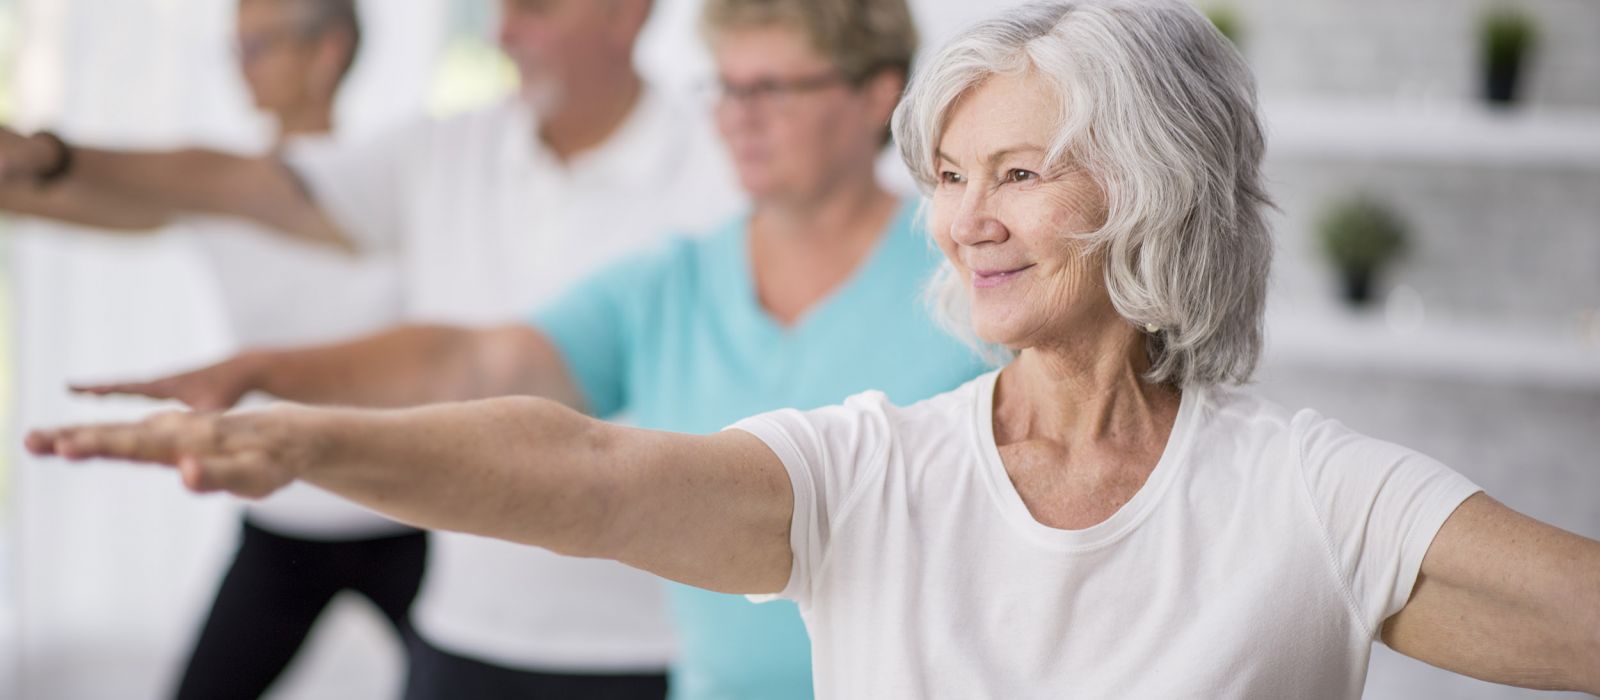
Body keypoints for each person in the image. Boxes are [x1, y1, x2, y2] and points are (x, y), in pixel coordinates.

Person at [25, 0, 1600, 697]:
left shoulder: (1310, 495)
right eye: (952, 178)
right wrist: (309, 434)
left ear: (1156, 191)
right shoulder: (873, 467)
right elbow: (577, 465)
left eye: (1022, 174)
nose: (967, 222)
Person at [53, 0, 978, 696]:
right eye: (726, 87)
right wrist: (273, 384)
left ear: (875, 96)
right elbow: (480, 364)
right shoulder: (672, 279)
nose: (737, 115)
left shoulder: (970, 276)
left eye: (770, 88)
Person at [1, 3, 427, 699]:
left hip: (404, 513)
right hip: (282, 515)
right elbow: (48, 197)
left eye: (258, 46)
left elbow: (225, 181)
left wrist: (47, 153)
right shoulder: (210, 187)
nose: (242, 67)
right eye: (235, 48)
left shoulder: (397, 176)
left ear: (328, 51)